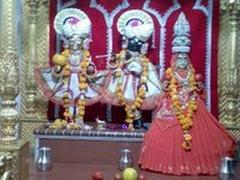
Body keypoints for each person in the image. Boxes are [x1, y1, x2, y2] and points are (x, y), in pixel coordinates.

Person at [138, 13, 236, 175]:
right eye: (180, 56)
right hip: (173, 105)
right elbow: (164, 88)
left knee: (201, 134)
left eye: (185, 56)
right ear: (175, 58)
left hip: (191, 105)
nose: (182, 59)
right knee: (164, 130)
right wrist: (168, 88)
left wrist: (196, 88)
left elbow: (198, 88)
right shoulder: (170, 73)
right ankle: (167, 162)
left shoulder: (191, 72)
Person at [35, 8, 105, 129]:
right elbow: (59, 69)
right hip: (68, 81)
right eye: (72, 42)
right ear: (68, 42)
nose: (75, 44)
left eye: (77, 41)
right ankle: (68, 121)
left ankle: (79, 121)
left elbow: (90, 66)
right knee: (69, 100)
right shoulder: (64, 55)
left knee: (80, 99)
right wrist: (57, 69)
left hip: (80, 80)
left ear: (82, 42)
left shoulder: (85, 55)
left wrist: (90, 70)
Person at [102, 10, 162, 130]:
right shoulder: (124, 54)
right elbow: (120, 64)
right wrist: (124, 66)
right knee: (127, 99)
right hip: (126, 79)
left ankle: (136, 121)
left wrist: (139, 67)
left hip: (139, 79)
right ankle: (131, 122)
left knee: (137, 100)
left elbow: (143, 65)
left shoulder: (142, 53)